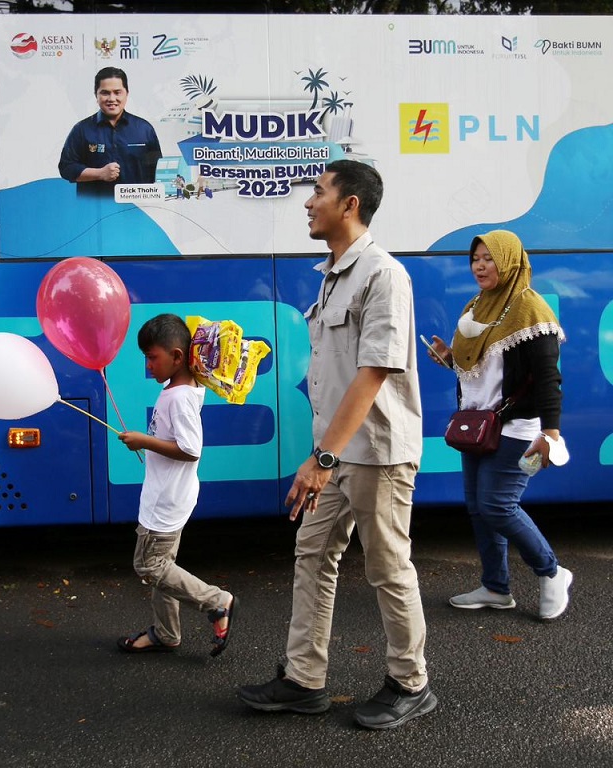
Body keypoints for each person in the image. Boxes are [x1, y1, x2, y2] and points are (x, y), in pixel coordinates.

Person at [236, 160, 435, 729]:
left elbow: (371, 375)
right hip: (335, 452)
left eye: (318, 192)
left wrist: (321, 458)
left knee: (388, 567)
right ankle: (304, 680)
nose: (308, 201)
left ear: (350, 204)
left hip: (376, 453)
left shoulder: (383, 274)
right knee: (313, 554)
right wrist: (324, 453)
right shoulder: (332, 275)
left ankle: (410, 682)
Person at [424, 230, 572, 620]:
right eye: (475, 258)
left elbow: (547, 378)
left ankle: (552, 571)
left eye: (489, 258)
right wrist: (451, 359)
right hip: (478, 425)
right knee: (478, 507)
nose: (479, 265)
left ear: (509, 261)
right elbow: (482, 372)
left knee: (497, 505)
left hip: (518, 428)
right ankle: (495, 586)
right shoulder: (479, 305)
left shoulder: (531, 310)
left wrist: (550, 434)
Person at [116, 313, 237, 657]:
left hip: (165, 501)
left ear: (178, 356)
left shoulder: (178, 398)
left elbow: (189, 449)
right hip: (171, 495)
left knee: (149, 566)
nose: (148, 365)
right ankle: (166, 632)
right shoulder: (181, 390)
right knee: (163, 568)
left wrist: (144, 440)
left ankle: (217, 601)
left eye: (152, 357)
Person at [58, 67, 162, 195]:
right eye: (105, 93)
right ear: (96, 95)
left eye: (117, 92)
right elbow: (66, 168)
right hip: (95, 209)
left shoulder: (144, 129)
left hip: (136, 209)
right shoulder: (81, 130)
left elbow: (159, 172)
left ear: (127, 93)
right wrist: (100, 174)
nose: (112, 99)